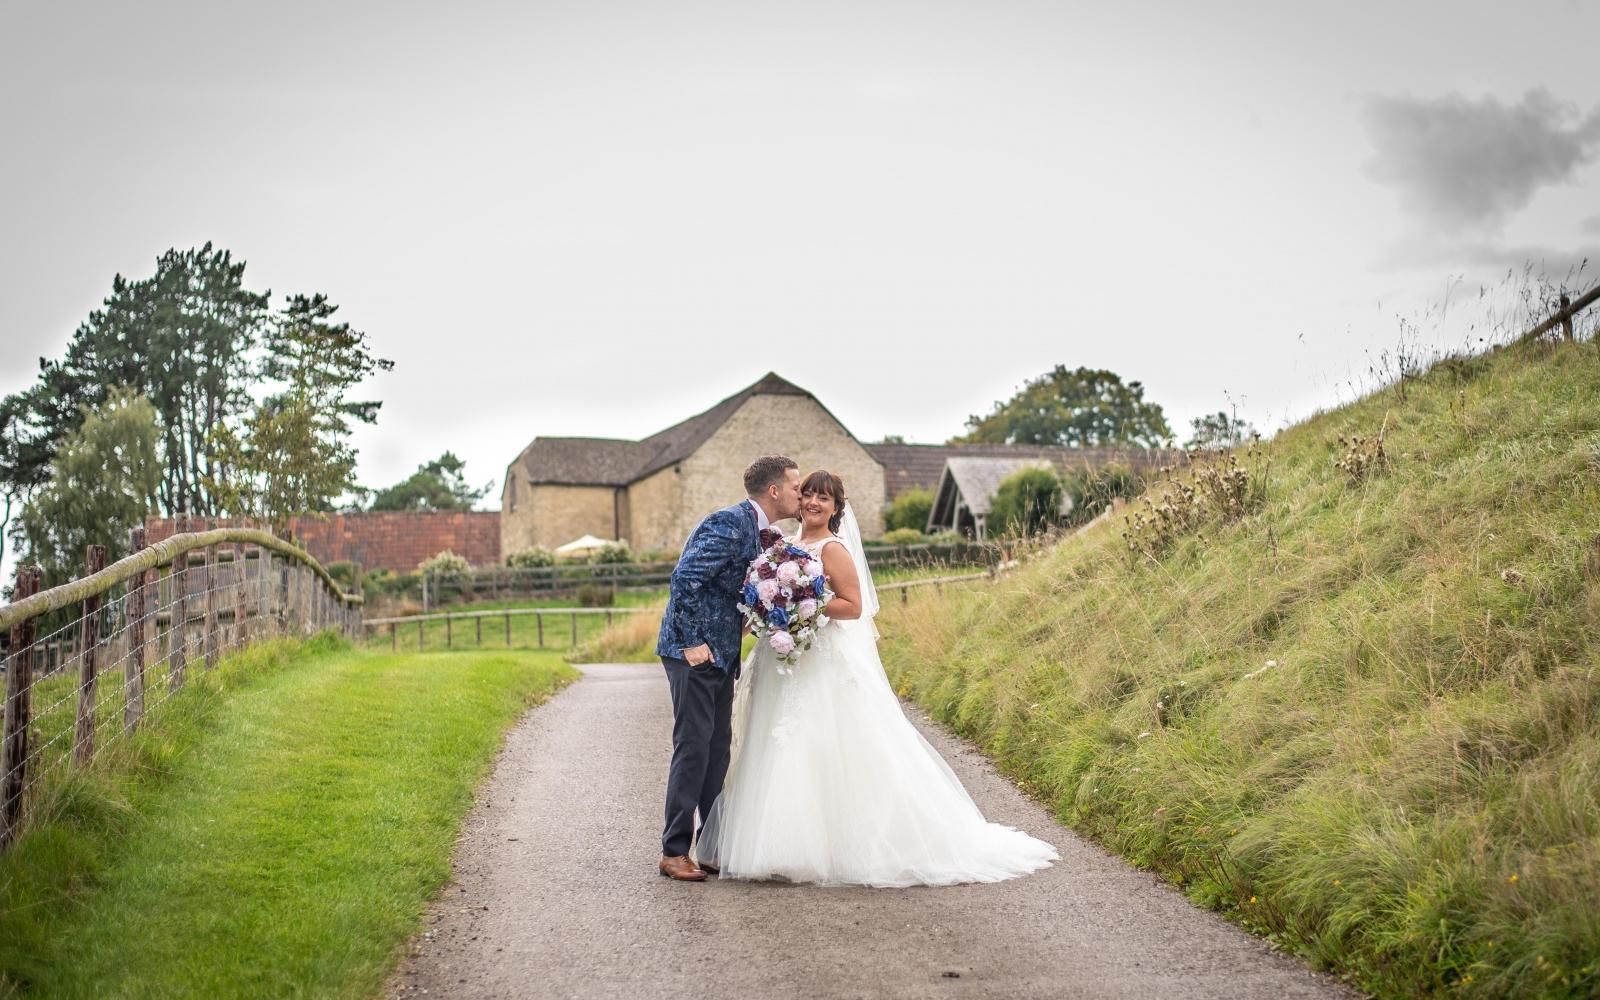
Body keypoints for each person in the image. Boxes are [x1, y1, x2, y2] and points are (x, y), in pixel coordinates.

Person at [695, 470, 1059, 887]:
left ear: (836, 508)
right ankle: (773, 844)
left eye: (823, 498)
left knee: (818, 743)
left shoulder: (833, 549)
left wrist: (806, 599)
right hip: (782, 659)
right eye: (808, 494)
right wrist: (769, 606)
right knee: (775, 742)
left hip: (820, 660)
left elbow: (852, 607)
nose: (813, 502)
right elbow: (762, 595)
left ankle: (831, 847)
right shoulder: (783, 546)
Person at [654, 455, 802, 881]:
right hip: (693, 652)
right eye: (794, 485)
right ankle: (674, 850)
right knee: (694, 746)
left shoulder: (764, 533)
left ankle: (713, 845)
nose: (800, 492)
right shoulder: (728, 522)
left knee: (718, 750)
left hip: (722, 654)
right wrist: (691, 642)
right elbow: (684, 579)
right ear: (774, 491)